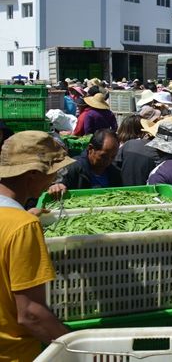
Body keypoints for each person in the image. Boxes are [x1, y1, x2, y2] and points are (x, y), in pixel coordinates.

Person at [0, 131, 73, 359]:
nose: (54, 179)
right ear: (32, 173)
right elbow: (31, 314)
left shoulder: (15, 220)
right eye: (52, 172)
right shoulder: (23, 226)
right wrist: (79, 349)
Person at [52, 129, 122, 191]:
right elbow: (59, 183)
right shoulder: (72, 168)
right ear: (90, 148)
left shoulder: (115, 173)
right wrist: (57, 186)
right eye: (104, 156)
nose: (108, 161)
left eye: (113, 157)